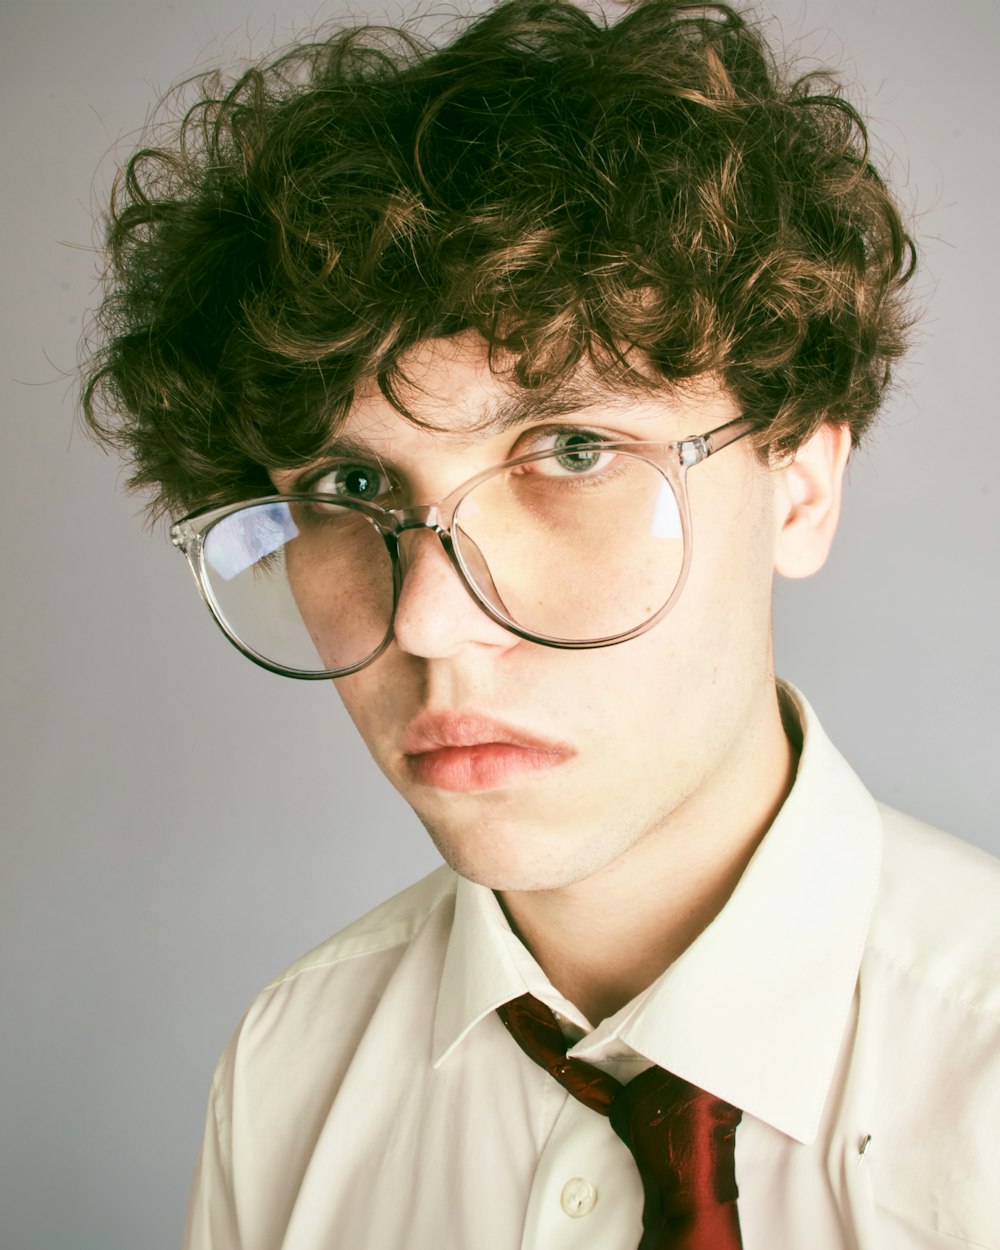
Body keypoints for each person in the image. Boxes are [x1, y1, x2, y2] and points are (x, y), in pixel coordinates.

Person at [81, 1, 1000, 1246]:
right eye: (349, 488)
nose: (432, 620)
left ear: (802, 481)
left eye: (571, 450)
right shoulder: (292, 1072)